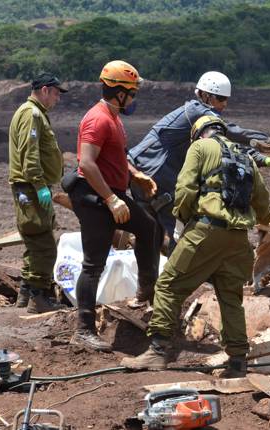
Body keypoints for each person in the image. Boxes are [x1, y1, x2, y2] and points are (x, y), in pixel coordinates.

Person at [121, 115, 270, 376]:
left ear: (199, 134)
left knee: (168, 285)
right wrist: (264, 219)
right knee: (230, 297)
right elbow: (261, 200)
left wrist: (181, 220)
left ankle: (157, 352)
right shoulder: (245, 156)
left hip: (206, 230)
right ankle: (238, 361)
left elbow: (185, 187)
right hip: (239, 239)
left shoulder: (200, 148)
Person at [67, 60, 160, 351]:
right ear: (119, 92)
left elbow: (117, 156)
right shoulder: (98, 119)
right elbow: (86, 163)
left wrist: (135, 175)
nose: (134, 99)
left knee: (149, 228)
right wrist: (111, 199)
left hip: (113, 194)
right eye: (131, 93)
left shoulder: (114, 117)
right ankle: (83, 329)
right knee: (94, 263)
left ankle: (145, 292)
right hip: (95, 199)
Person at [128, 71, 270, 254]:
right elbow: (231, 133)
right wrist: (268, 141)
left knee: (151, 234)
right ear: (205, 95)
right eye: (221, 98)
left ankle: (147, 265)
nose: (224, 104)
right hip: (157, 173)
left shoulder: (195, 113)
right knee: (184, 229)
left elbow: (227, 143)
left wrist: (266, 159)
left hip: (142, 171)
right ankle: (180, 275)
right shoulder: (197, 111)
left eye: (226, 99)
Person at [8, 72, 69, 313]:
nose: (58, 99)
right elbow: (29, 154)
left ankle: (25, 293)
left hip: (31, 188)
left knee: (35, 241)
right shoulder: (31, 114)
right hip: (31, 189)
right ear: (44, 90)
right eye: (56, 93)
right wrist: (40, 185)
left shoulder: (34, 113)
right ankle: (39, 297)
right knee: (44, 244)